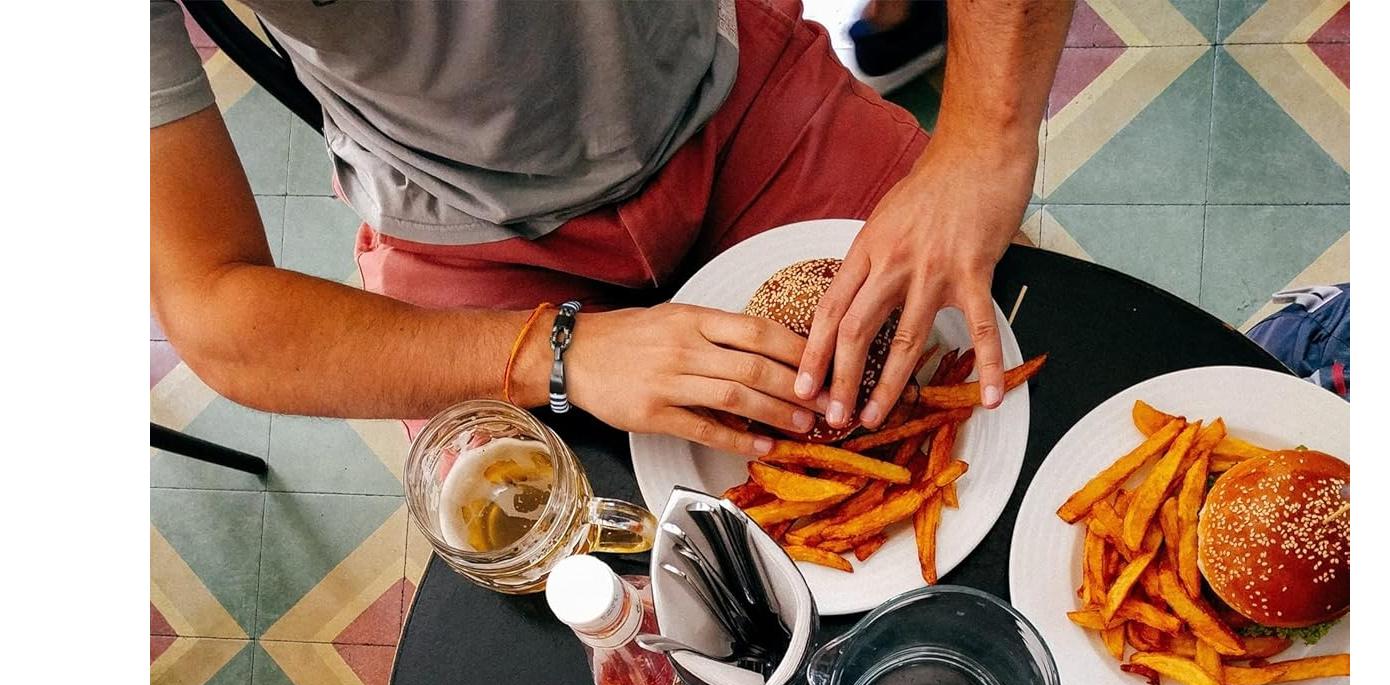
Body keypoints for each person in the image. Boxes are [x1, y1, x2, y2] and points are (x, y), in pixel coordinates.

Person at [149, 0, 1071, 453]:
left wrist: (982, 142)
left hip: (731, 87)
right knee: (591, 606)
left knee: (1023, 379)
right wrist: (560, 356)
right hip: (459, 243)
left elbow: (983, 150)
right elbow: (214, 310)